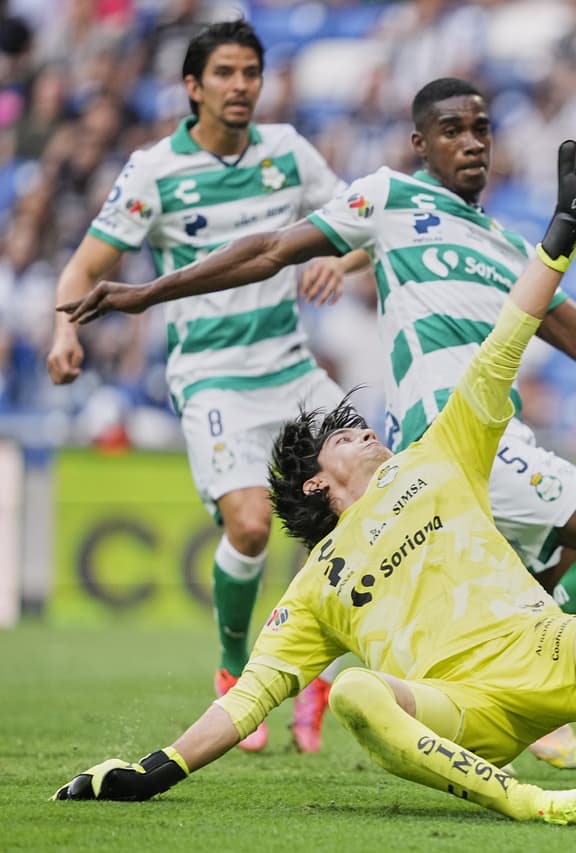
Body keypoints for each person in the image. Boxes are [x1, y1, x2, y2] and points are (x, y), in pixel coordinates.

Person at [52, 144, 576, 828]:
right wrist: (155, 769)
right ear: (321, 483)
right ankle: (529, 800)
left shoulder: (438, 454)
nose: (365, 428)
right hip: (461, 713)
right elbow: (248, 700)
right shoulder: (316, 587)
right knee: (358, 690)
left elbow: (506, 338)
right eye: (347, 433)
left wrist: (569, 228)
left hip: (549, 648)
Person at [46, 20, 366, 754]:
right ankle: (234, 669)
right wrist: (66, 329)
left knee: (364, 514)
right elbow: (82, 268)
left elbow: (363, 229)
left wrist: (339, 264)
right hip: (212, 375)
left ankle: (313, 670)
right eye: (224, 73)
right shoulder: (154, 170)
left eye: (251, 72)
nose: (241, 86)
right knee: (250, 526)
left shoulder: (288, 152)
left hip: (291, 365)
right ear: (193, 87)